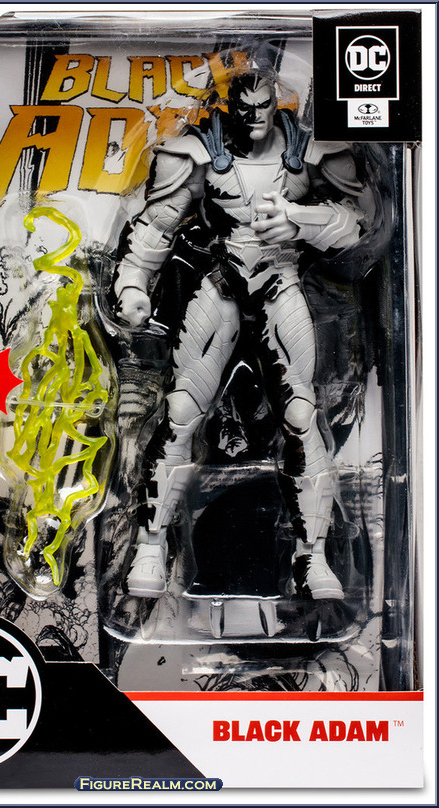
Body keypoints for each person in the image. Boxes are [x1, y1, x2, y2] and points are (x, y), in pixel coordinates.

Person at [114, 70, 367, 600]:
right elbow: (157, 224)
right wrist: (133, 283)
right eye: (244, 107)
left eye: (262, 105)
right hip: (223, 282)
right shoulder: (196, 153)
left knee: (301, 416)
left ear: (277, 103)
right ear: (230, 106)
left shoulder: (314, 152)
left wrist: (301, 220)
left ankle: (312, 557)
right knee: (182, 411)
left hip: (281, 281)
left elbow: (361, 225)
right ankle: (150, 545)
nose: (254, 117)